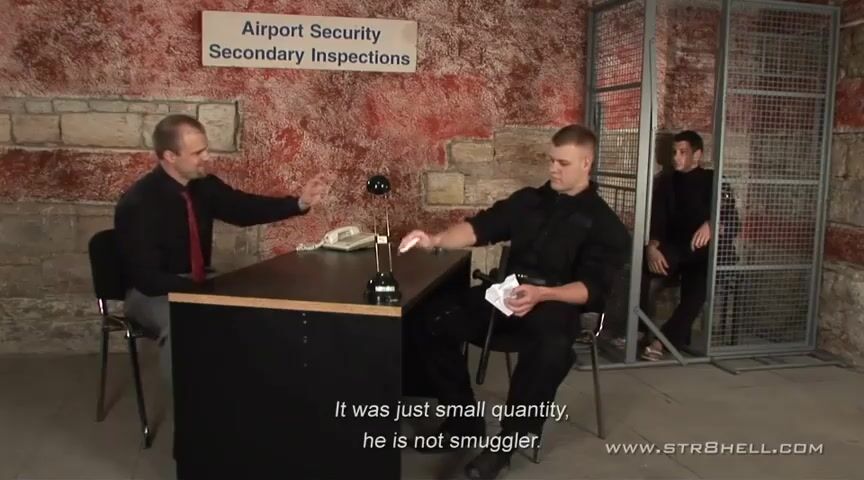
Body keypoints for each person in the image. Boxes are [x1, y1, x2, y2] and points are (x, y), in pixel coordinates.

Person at [398, 124, 630, 479]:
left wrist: (544, 294)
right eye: (551, 160)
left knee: (552, 346)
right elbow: (480, 228)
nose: (553, 169)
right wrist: (435, 240)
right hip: (508, 294)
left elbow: (592, 289)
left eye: (563, 163)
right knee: (430, 318)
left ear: (586, 163)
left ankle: (505, 446)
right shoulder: (528, 201)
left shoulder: (605, 225)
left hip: (558, 303)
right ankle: (463, 422)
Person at [114, 114, 329, 384]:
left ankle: (253, 389)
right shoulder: (138, 203)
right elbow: (147, 278)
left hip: (199, 281)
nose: (207, 157)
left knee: (259, 308)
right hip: (152, 293)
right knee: (184, 322)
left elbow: (243, 209)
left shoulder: (204, 186)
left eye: (205, 149)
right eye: (197, 153)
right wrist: (205, 293)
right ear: (170, 156)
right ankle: (190, 408)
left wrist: (299, 203)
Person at [639, 130, 739, 361]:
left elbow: (733, 220)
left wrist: (712, 224)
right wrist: (652, 248)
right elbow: (658, 222)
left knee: (698, 289)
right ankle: (638, 331)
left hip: (707, 254)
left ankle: (663, 341)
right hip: (676, 250)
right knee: (639, 271)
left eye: (683, 152)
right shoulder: (666, 182)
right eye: (674, 152)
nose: (676, 157)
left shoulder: (714, 180)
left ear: (697, 155)